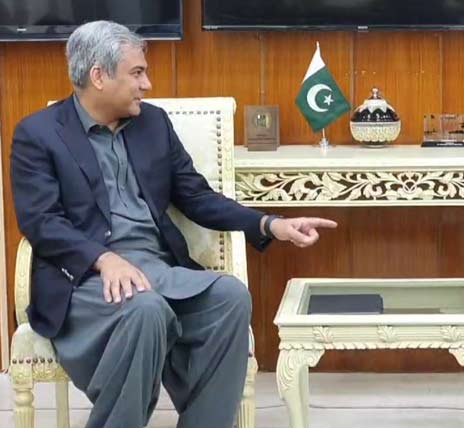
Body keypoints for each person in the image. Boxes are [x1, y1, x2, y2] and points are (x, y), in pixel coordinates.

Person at [10, 20, 337, 428]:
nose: (146, 85)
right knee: (145, 309)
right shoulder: (39, 134)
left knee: (230, 296)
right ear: (98, 76)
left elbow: (196, 196)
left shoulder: (153, 124)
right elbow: (41, 222)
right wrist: (103, 259)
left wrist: (270, 224)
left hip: (156, 270)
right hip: (83, 280)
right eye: (136, 73)